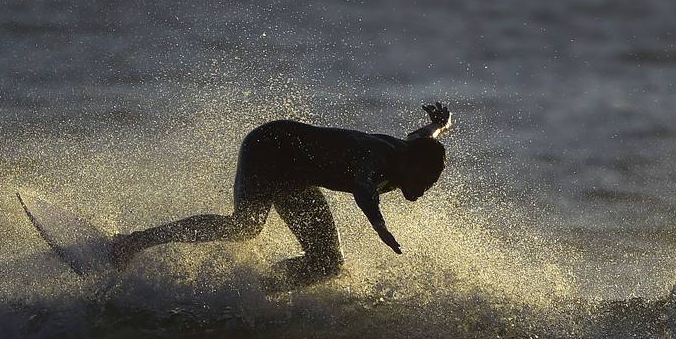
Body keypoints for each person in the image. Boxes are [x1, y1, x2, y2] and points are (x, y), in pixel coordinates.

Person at [110, 103, 454, 287]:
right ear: (411, 163)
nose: (423, 190)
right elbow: (363, 190)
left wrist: (440, 125)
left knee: (327, 263)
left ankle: (252, 293)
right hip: (271, 148)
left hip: (299, 178)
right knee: (244, 227)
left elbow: (424, 136)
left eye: (431, 184)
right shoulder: (378, 156)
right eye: (423, 180)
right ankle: (132, 243)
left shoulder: (415, 151)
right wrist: (380, 228)